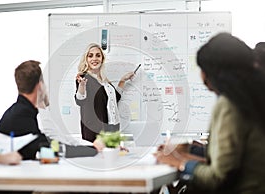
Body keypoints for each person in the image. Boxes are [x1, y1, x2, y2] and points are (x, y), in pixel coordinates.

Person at [154, 33, 265, 194]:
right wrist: (187, 153)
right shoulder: (254, 97)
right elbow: (234, 166)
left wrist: (179, 163)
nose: (202, 77)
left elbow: (218, 179)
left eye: (203, 69)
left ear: (213, 74)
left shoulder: (230, 104)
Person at [0, 60, 99, 160]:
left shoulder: (19, 111)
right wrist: (94, 150)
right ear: (40, 86)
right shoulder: (23, 116)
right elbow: (52, 149)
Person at [75, 43, 134, 142]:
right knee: (98, 157)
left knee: (113, 155)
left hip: (112, 126)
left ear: (102, 59)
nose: (94, 58)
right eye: (90, 56)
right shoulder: (83, 77)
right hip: (95, 131)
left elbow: (114, 98)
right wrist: (82, 86)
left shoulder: (103, 80)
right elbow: (80, 101)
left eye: (98, 55)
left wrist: (123, 80)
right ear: (86, 59)